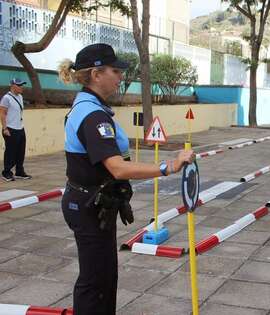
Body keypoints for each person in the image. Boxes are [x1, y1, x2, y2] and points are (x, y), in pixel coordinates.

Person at [58, 43, 195, 315]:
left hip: (94, 203)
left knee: (104, 277)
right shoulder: (92, 114)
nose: (121, 76)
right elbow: (118, 168)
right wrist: (168, 166)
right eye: (115, 70)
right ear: (97, 74)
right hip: (87, 205)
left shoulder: (91, 106)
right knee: (95, 282)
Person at [1, 78, 31, 181]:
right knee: (10, 152)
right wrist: (5, 128)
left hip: (20, 128)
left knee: (20, 151)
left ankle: (19, 171)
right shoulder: (6, 98)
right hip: (10, 128)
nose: (21, 87)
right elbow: (2, 113)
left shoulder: (20, 97)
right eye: (19, 85)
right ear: (13, 86)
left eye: (22, 85)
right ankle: (6, 172)